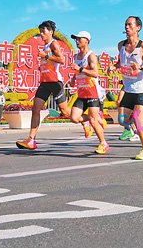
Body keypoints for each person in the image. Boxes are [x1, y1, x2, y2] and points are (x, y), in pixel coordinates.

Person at [16, 20, 70, 150]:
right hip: (45, 83)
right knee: (36, 109)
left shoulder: (54, 44)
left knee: (66, 113)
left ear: (51, 32)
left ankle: (88, 121)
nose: (41, 34)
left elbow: (62, 59)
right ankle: (31, 140)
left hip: (55, 83)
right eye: (40, 31)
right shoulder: (45, 47)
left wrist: (46, 56)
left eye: (44, 31)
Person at [111, 16, 143, 160]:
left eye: (130, 25)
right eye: (125, 24)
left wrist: (140, 67)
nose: (126, 27)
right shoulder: (120, 45)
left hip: (141, 89)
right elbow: (120, 62)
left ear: (138, 28)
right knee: (122, 120)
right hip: (128, 88)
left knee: (137, 118)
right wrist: (114, 67)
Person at [69, 31, 109, 154]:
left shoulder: (91, 56)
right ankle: (91, 120)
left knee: (93, 120)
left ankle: (103, 143)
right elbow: (77, 72)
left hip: (92, 92)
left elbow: (95, 73)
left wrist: (80, 69)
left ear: (86, 40)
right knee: (74, 118)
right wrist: (73, 79)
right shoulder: (76, 56)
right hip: (81, 93)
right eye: (76, 39)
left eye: (79, 39)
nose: (77, 41)